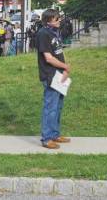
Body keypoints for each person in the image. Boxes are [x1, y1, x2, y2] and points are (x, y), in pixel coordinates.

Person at [36, 9, 71, 149]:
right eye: (56, 19)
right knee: (50, 107)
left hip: (59, 74)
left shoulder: (55, 32)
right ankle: (46, 138)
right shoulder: (43, 34)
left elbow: (59, 52)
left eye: (59, 18)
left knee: (58, 106)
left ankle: (55, 134)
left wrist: (64, 70)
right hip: (50, 75)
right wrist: (66, 66)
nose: (59, 21)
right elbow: (48, 58)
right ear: (48, 21)